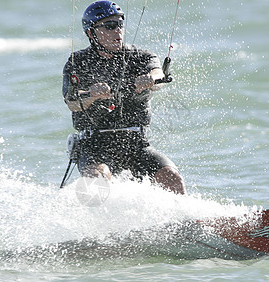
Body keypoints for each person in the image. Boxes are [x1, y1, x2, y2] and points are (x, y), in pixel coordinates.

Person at [62, 0, 186, 195]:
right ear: (91, 33)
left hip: (136, 144)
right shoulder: (79, 62)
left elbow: (159, 76)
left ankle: (182, 222)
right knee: (96, 182)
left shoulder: (141, 56)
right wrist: (92, 95)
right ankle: (97, 223)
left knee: (172, 178)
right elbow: (72, 102)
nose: (117, 31)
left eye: (120, 24)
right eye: (110, 26)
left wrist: (150, 79)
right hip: (95, 145)